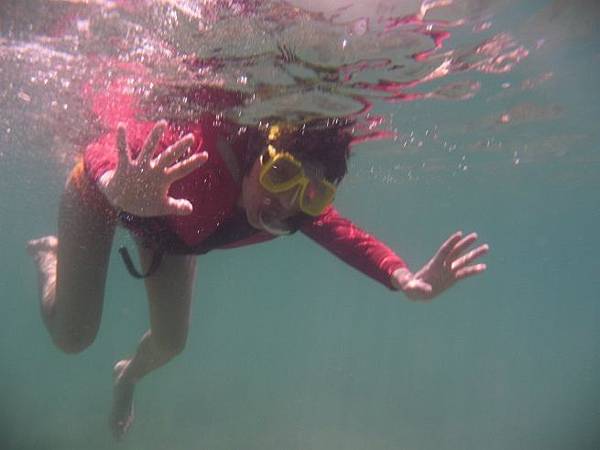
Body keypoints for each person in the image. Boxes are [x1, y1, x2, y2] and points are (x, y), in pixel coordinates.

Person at [27, 78, 488, 439]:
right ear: (254, 157)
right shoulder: (199, 152)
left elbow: (347, 237)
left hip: (173, 233)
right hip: (102, 195)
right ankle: (51, 258)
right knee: (73, 337)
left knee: (170, 344)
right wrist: (113, 182)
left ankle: (126, 378)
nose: (285, 204)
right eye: (280, 174)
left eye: (312, 194)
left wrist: (402, 277)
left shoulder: (297, 210)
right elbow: (101, 148)